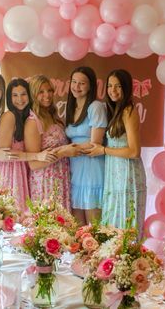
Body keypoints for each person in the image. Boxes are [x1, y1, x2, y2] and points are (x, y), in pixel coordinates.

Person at [85, 69, 147, 237]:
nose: (113, 90)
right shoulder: (115, 110)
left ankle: (125, 261)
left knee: (125, 226)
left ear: (126, 88)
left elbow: (134, 151)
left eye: (118, 86)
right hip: (115, 173)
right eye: (110, 86)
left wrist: (104, 150)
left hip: (127, 173)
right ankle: (113, 261)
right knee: (113, 223)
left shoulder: (128, 111)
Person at [0, 78, 57, 213]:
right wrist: (37, 156)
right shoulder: (9, 116)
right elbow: (6, 155)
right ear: (9, 98)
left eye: (23, 94)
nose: (20, 99)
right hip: (10, 171)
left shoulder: (25, 117)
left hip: (21, 169)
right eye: (15, 95)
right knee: (12, 213)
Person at [62, 66, 107, 226]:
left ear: (90, 86)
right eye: (74, 82)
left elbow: (95, 144)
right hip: (76, 170)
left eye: (82, 83)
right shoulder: (71, 107)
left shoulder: (95, 107)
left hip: (92, 169)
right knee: (77, 229)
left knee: (94, 230)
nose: (76, 86)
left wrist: (66, 151)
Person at [24, 74, 71, 210]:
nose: (47, 95)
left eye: (49, 90)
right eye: (41, 92)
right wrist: (64, 152)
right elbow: (33, 164)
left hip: (61, 177)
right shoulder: (33, 121)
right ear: (33, 94)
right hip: (46, 181)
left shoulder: (53, 116)